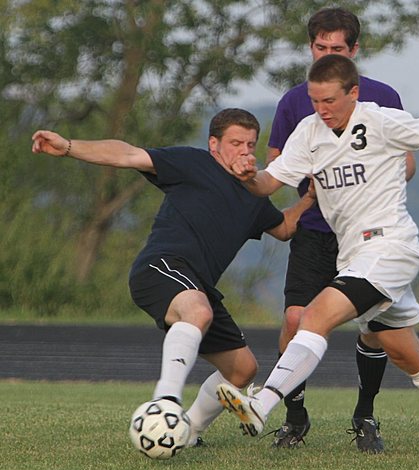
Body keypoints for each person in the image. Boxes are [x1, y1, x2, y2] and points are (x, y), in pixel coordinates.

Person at [215, 54, 419, 457]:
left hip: (390, 246)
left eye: (330, 101)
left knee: (312, 316)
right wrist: (247, 176)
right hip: (354, 255)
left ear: (353, 92)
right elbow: (268, 183)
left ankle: (261, 404)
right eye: (316, 101)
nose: (322, 110)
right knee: (404, 350)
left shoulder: (381, 119)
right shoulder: (309, 131)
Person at [30, 108, 315, 446]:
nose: (245, 151)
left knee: (242, 369)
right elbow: (127, 154)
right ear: (214, 144)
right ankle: (165, 402)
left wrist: (311, 197)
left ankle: (187, 432)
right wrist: (67, 146)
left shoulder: (254, 195)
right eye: (236, 143)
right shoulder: (193, 163)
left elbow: (283, 228)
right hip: (161, 267)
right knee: (198, 311)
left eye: (250, 145)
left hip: (199, 287)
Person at [265, 7, 416, 452]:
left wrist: (368, 174)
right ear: (310, 48)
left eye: (336, 48)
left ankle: (365, 415)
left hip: (371, 236)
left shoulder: (382, 96)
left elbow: (407, 161)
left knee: (377, 330)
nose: (326, 53)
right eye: (320, 47)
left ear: (355, 50)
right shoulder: (295, 100)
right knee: (296, 319)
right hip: (314, 230)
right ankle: (295, 418)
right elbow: (277, 161)